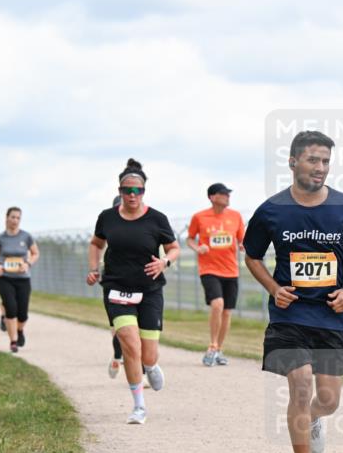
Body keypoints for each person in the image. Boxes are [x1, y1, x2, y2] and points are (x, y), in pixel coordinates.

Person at [244, 130, 343, 453]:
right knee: (300, 384)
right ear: (293, 162)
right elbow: (252, 256)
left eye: (325, 162)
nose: (320, 168)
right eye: (313, 160)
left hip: (332, 317)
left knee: (329, 400)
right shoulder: (271, 210)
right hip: (289, 317)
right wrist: (274, 288)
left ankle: (316, 418)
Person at [87, 158, 180, 424]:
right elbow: (96, 244)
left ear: (143, 192)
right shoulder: (107, 217)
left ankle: (150, 366)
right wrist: (94, 268)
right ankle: (139, 406)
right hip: (117, 288)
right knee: (130, 344)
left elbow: (174, 248)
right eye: (127, 190)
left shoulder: (156, 219)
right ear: (119, 191)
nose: (131, 195)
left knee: (148, 353)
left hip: (149, 290)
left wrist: (165, 262)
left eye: (137, 190)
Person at [186, 182, 245, 366]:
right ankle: (212, 345)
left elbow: (242, 240)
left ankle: (219, 349)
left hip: (231, 270)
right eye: (223, 193)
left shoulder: (235, 216)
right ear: (212, 197)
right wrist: (198, 247)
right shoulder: (199, 217)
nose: (227, 196)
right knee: (217, 304)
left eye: (228, 193)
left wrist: (244, 246)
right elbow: (189, 238)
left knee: (227, 312)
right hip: (209, 269)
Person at [0, 207, 39, 353]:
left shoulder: (26, 237)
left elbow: (35, 253)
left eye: (18, 218)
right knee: (11, 308)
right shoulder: (0, 238)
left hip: (23, 279)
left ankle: (20, 330)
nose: (15, 220)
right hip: (5, 278)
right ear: (6, 218)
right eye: (13, 217)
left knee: (22, 314)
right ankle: (13, 341)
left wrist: (28, 263)